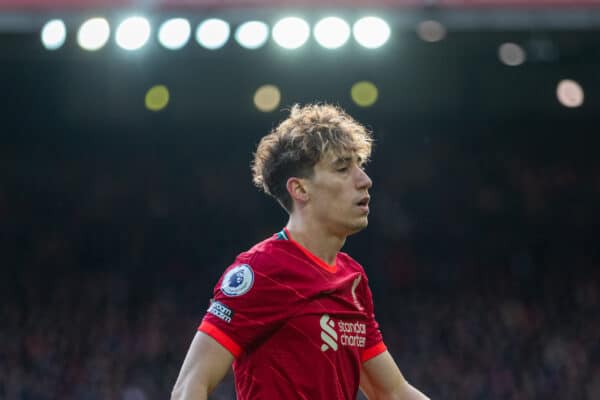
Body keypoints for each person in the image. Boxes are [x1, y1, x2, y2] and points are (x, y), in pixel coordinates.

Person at [171, 104, 429, 400]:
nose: (364, 180)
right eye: (343, 168)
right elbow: (190, 386)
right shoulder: (261, 269)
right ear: (300, 189)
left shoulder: (353, 279)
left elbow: (393, 392)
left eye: (360, 166)